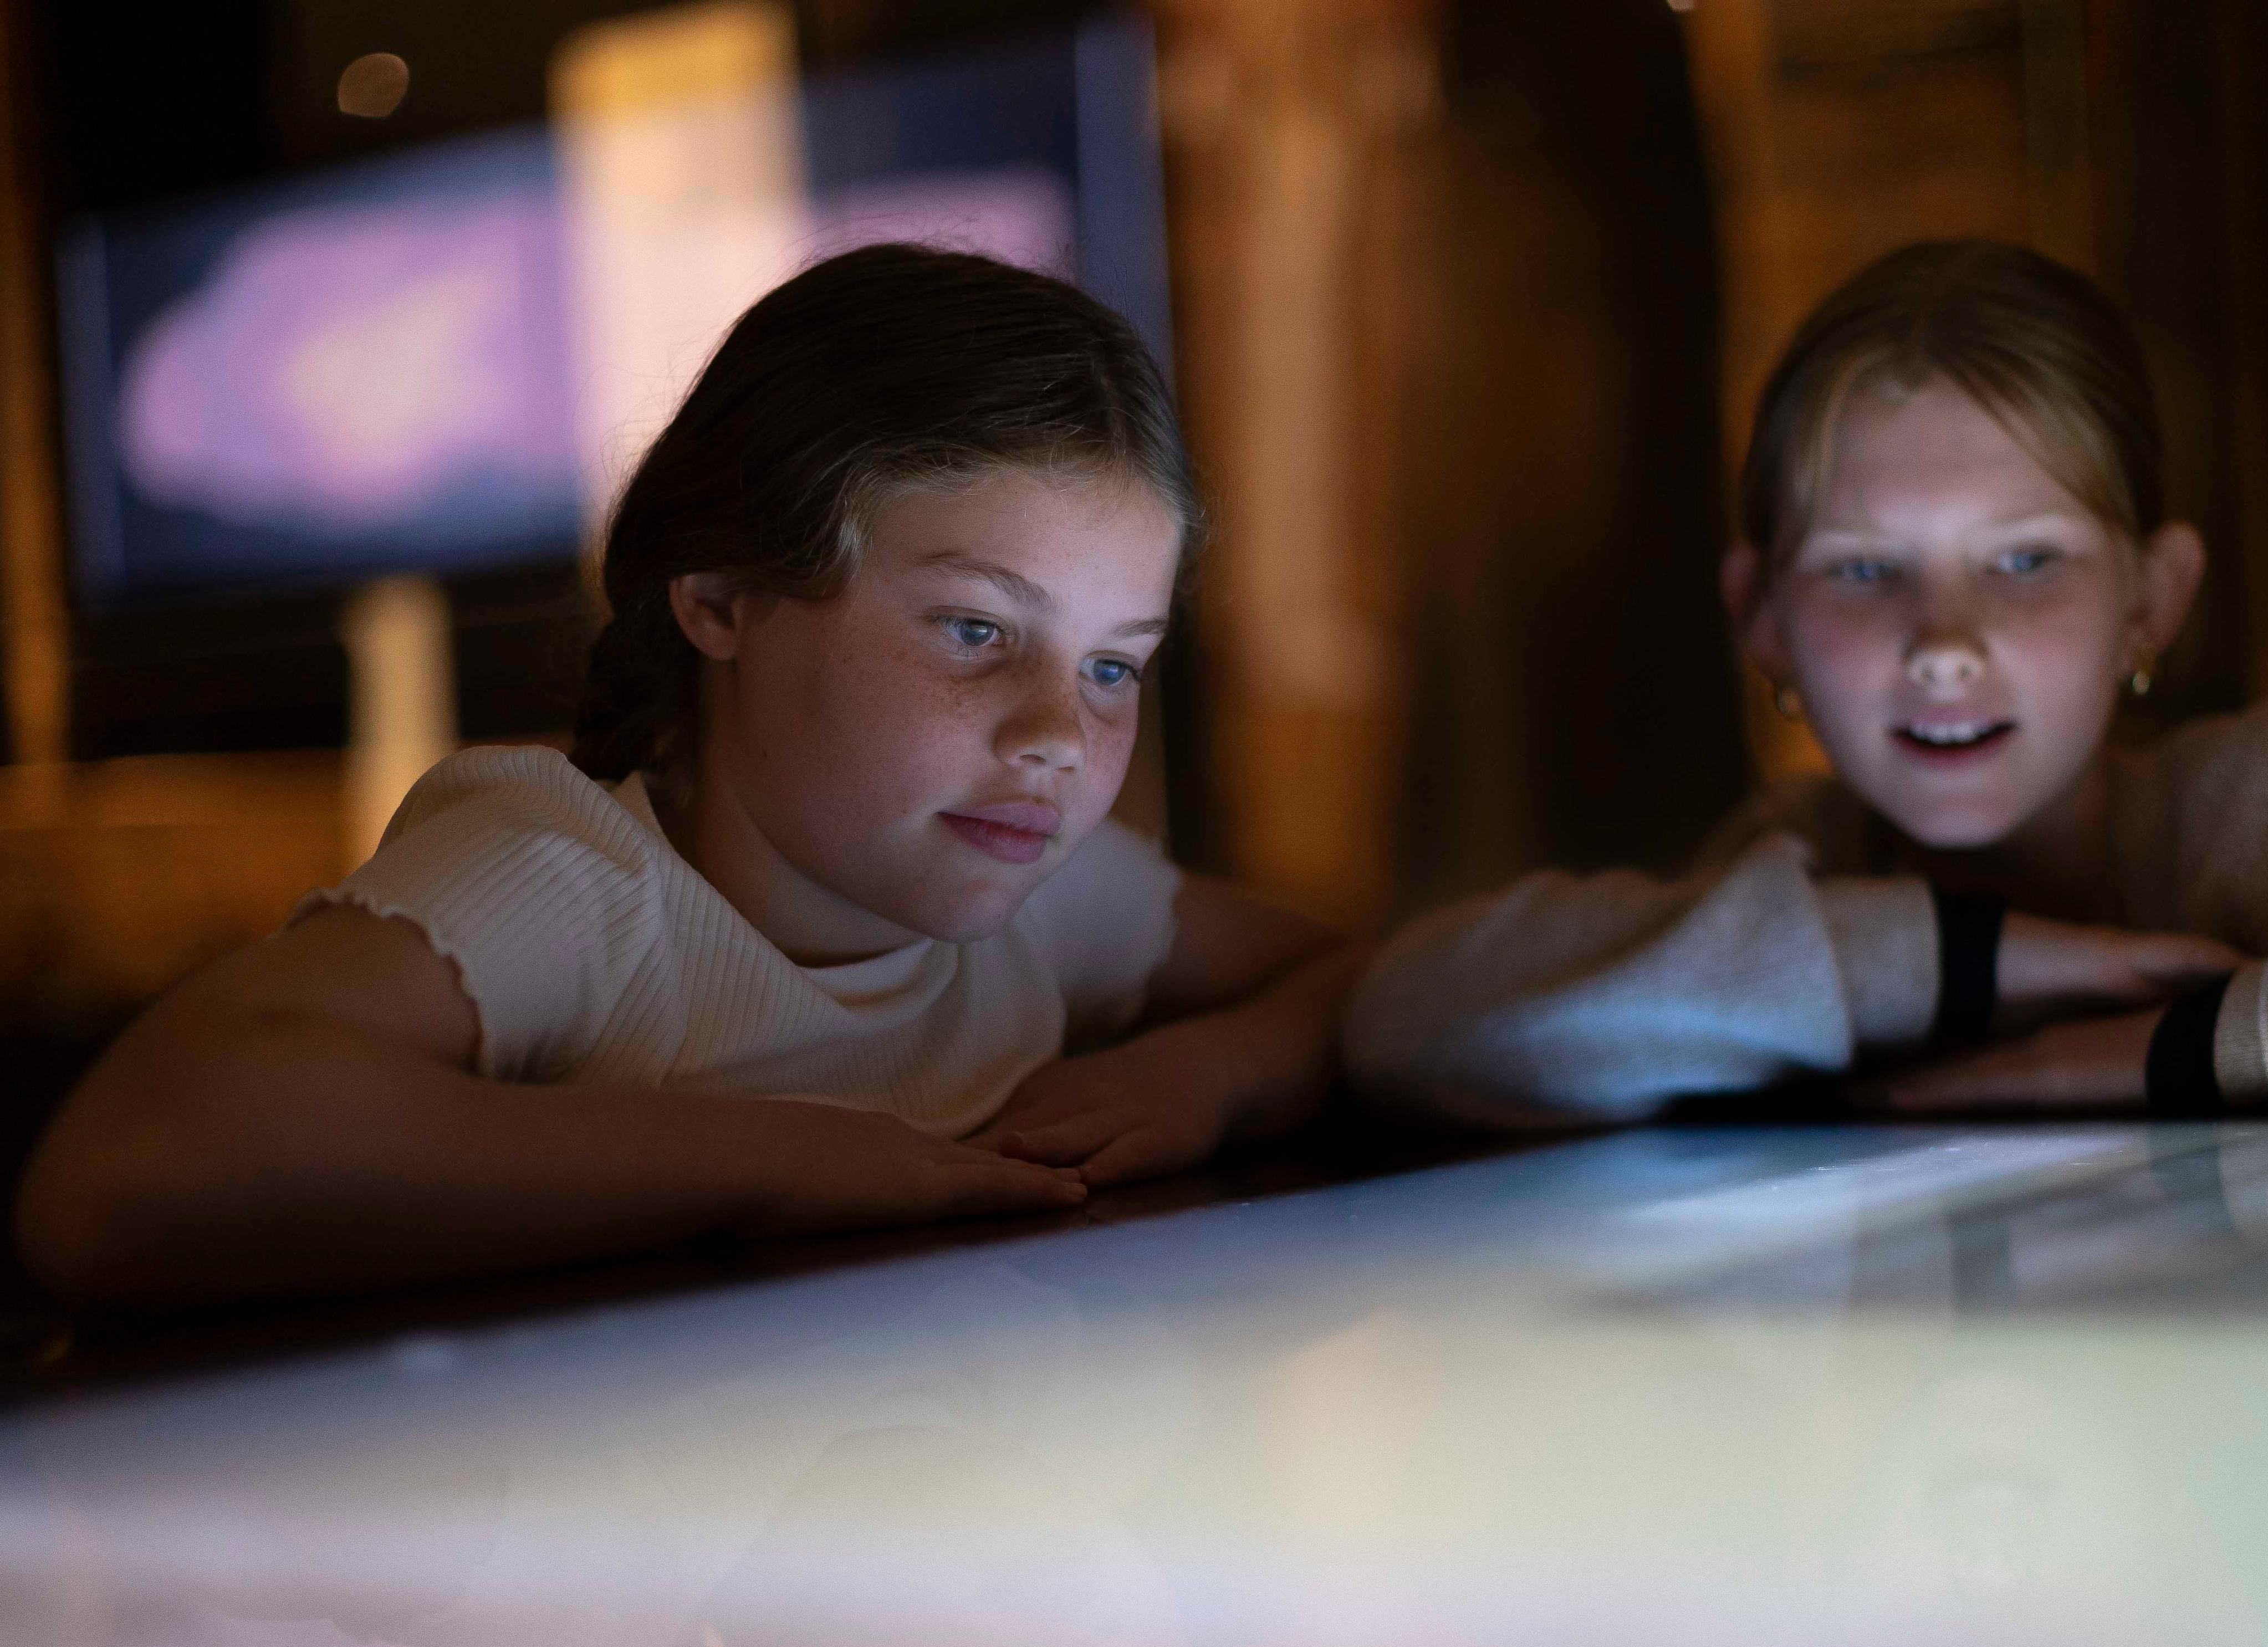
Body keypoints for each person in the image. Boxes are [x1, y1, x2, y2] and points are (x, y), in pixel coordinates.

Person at [19, 246, 1355, 1305]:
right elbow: (128, 1168)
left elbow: (1357, 970)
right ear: (720, 599)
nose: (1059, 733)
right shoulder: (569, 881)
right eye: (974, 629)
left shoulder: (1043, 898)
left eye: (1115, 665)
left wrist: (1213, 1073)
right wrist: (781, 1157)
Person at [1346, 238, 2268, 1129]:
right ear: (1760, 618)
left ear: (2152, 597)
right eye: (1859, 569)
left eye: (2024, 561)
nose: (1943, 638)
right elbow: (1412, 1021)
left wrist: (2206, 1042)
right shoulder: (1799, 865)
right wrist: (1963, 968)